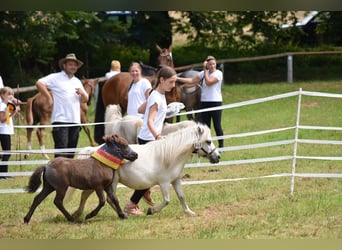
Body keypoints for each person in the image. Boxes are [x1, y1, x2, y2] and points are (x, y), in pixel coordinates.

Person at [124, 66, 177, 215]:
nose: (173, 86)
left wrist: (164, 110)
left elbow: (142, 110)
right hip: (149, 139)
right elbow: (149, 121)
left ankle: (145, 191)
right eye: (171, 82)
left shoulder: (157, 94)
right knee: (150, 174)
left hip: (146, 137)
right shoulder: (156, 96)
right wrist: (157, 136)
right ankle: (132, 204)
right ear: (162, 80)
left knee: (151, 173)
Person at [36, 53, 88, 158]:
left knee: (71, 152)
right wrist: (48, 97)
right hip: (60, 120)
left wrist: (82, 93)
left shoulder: (77, 81)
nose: (73, 67)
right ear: (64, 66)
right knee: (61, 150)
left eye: (75, 65)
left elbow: (84, 100)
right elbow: (39, 83)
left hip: (75, 121)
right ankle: (57, 174)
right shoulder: (55, 77)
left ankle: (68, 174)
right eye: (70, 64)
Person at [177, 55, 224, 149]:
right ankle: (207, 146)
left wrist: (205, 71)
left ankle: (221, 146)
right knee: (205, 126)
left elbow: (209, 82)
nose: (212, 66)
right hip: (205, 102)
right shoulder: (203, 73)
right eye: (209, 64)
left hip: (215, 102)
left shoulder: (218, 73)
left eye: (213, 64)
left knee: (217, 125)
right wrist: (177, 78)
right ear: (207, 65)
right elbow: (191, 80)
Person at [0, 87, 20, 179]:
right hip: (3, 131)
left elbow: (10, 117)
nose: (10, 96)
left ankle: (4, 173)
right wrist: (12, 113)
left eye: (11, 94)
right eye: (8, 94)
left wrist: (14, 111)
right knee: (7, 153)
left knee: (6, 152)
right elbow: (2, 119)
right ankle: (2, 173)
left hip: (7, 131)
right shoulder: (2, 106)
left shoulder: (8, 105)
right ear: (2, 95)